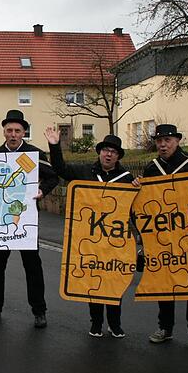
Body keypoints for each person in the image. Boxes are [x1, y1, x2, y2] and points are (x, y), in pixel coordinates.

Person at [44, 127, 133, 338]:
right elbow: (60, 169)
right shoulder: (85, 171)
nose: (109, 154)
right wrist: (55, 146)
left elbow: (135, 208)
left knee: (113, 281)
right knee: (94, 282)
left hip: (115, 240)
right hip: (90, 239)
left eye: (113, 151)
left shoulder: (126, 178)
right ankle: (96, 322)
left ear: (118, 156)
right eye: (105, 150)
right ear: (100, 152)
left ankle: (115, 323)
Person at [133, 124, 188, 350]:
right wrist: (138, 188)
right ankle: (165, 327)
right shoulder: (152, 168)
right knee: (164, 284)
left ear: (177, 140)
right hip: (161, 235)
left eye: (167, 140)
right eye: (159, 141)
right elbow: (146, 204)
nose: (163, 145)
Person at [0, 110, 59, 328]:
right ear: (4, 132)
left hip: (26, 220)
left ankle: (39, 310)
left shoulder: (34, 155)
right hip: (0, 220)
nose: (13, 134)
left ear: (24, 132)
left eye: (17, 131)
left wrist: (42, 191)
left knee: (32, 266)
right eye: (9, 131)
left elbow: (53, 176)